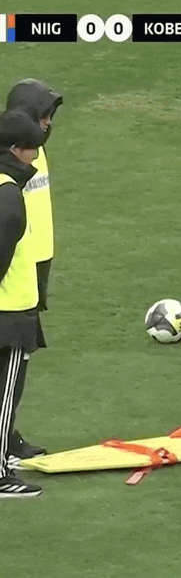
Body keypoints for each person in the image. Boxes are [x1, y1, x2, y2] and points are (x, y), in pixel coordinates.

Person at [2, 78, 62, 464]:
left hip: (32, 269)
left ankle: (7, 434)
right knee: (10, 364)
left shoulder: (35, 154)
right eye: (43, 115)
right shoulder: (11, 160)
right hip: (12, 272)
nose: (48, 124)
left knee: (18, 364)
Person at [0, 109, 47, 497]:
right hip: (10, 313)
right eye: (31, 148)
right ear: (16, 149)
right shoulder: (9, 195)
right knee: (5, 396)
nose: (34, 156)